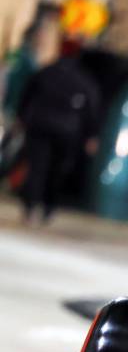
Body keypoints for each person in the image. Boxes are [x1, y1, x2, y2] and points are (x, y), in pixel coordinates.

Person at [14, 37, 100, 223]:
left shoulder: (46, 72)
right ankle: (48, 207)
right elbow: (91, 110)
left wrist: (21, 118)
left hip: (40, 126)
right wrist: (91, 135)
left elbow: (26, 97)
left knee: (37, 167)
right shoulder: (84, 80)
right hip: (68, 131)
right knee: (57, 171)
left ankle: (31, 205)